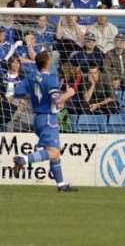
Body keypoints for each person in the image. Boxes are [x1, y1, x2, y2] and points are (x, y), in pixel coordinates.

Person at [8, 51, 77, 192]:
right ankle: (23, 159)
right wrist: (69, 94)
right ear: (47, 62)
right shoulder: (51, 79)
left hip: (37, 118)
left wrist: (34, 96)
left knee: (55, 153)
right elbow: (56, 100)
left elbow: (17, 92)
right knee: (53, 152)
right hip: (48, 118)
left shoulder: (31, 77)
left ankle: (61, 184)